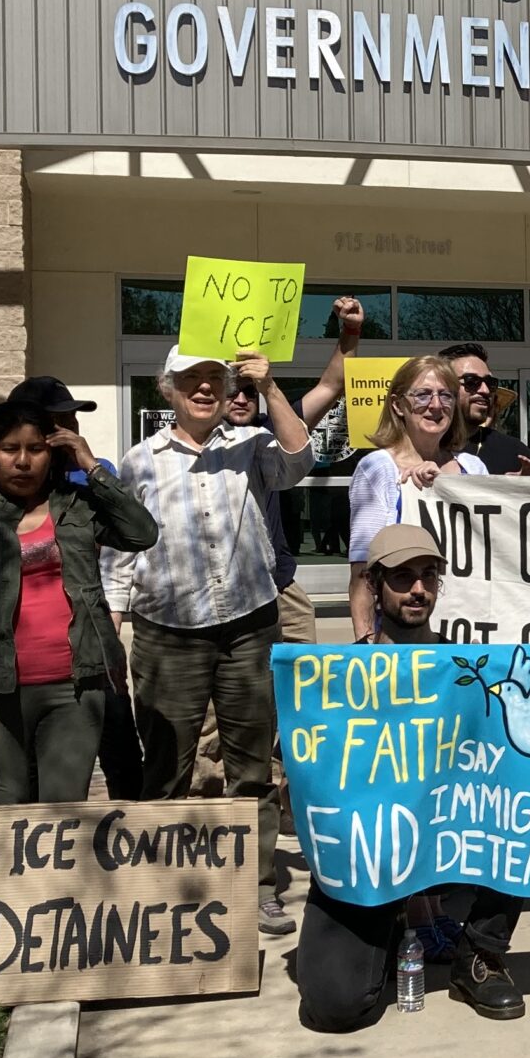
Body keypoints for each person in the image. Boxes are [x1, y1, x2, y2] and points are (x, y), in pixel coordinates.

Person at [111, 346, 317, 936]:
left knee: (252, 769)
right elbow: (121, 549)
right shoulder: (139, 461)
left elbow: (301, 458)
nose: (203, 389)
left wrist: (271, 387)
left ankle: (255, 888)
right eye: (189, 380)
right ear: (167, 390)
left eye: (214, 380)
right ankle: (164, 894)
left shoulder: (249, 445)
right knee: (168, 768)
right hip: (166, 631)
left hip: (248, 626)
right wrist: (114, 620)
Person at [296, 522, 525, 1027]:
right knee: (335, 1008)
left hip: (452, 844)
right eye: (402, 578)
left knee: (527, 799)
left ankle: (479, 953)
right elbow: (307, 779)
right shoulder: (335, 680)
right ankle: (393, 924)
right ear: (373, 586)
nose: (418, 589)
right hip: (373, 853)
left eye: (428, 577)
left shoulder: (467, 669)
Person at [0, 401, 157, 804]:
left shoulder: (80, 505)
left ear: (53, 454)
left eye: (36, 449)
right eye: (10, 449)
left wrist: (93, 468)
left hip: (75, 689)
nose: (23, 461)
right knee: (3, 810)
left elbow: (142, 533)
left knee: (64, 811)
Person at [10, 373, 145, 799]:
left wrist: (87, 465)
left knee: (120, 746)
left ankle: (131, 844)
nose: (68, 431)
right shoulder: (7, 486)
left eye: (73, 420)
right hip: (31, 653)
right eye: (56, 423)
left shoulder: (93, 476)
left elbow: (139, 530)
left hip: (94, 639)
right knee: (42, 769)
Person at [217, 295, 362, 646]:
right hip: (221, 592)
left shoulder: (275, 429)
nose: (241, 399)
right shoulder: (195, 444)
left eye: (249, 392)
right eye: (232, 391)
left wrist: (351, 330)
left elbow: (331, 385)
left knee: (299, 687)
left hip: (280, 585)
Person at [346, 355, 489, 640]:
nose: (435, 406)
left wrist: (517, 490)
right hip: (401, 639)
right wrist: (365, 644)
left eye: (446, 396)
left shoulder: (474, 468)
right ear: (398, 405)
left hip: (470, 636)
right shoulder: (377, 469)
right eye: (422, 395)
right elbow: (363, 571)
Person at [441, 340, 530, 473]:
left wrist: (522, 489)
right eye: (471, 382)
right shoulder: (422, 445)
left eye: (490, 383)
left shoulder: (513, 452)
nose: (485, 390)